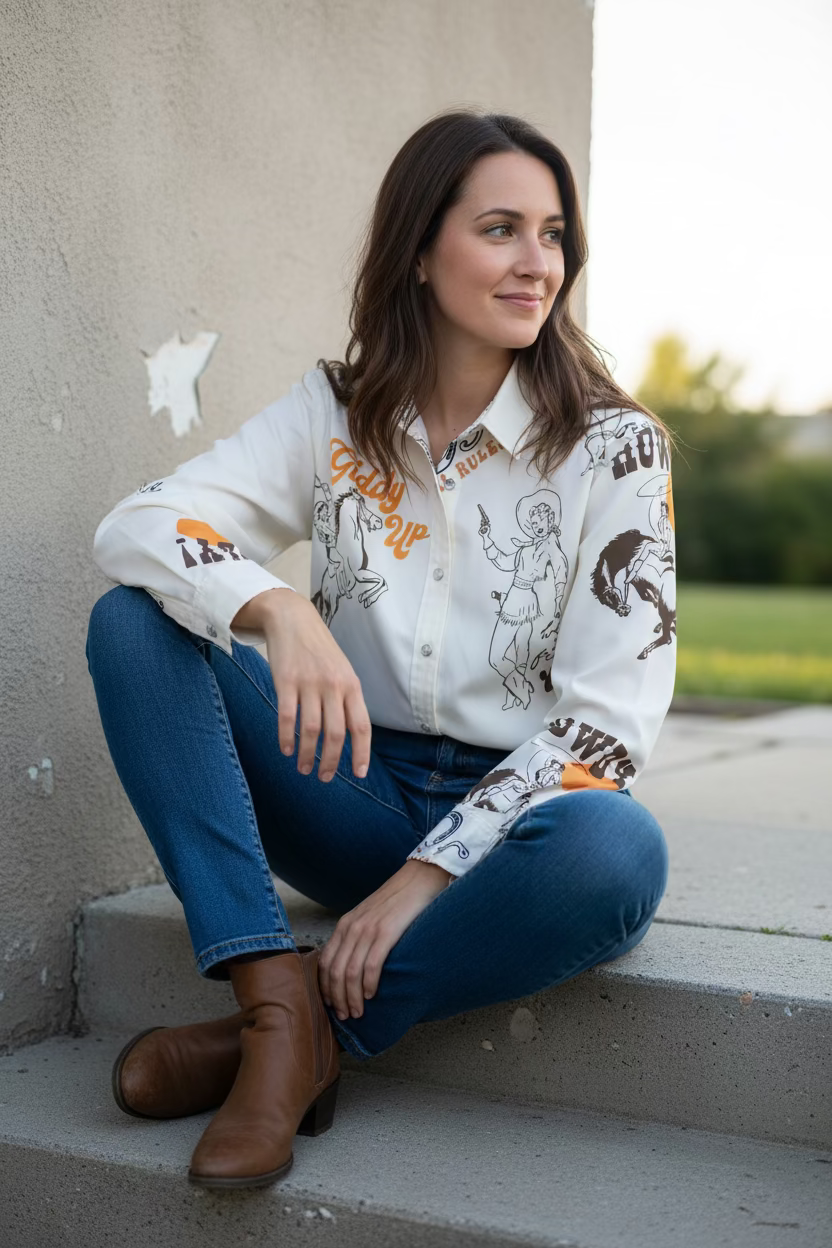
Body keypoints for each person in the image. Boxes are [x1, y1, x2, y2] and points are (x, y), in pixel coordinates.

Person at [86, 108, 674, 1191]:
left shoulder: (614, 447)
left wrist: (427, 872)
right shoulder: (335, 410)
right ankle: (268, 985)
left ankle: (290, 1034)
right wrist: (274, 605)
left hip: (511, 831)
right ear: (419, 247)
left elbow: (609, 721)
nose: (535, 262)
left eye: (553, 235)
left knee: (617, 851)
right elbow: (138, 525)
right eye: (501, 228)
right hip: (344, 785)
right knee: (132, 621)